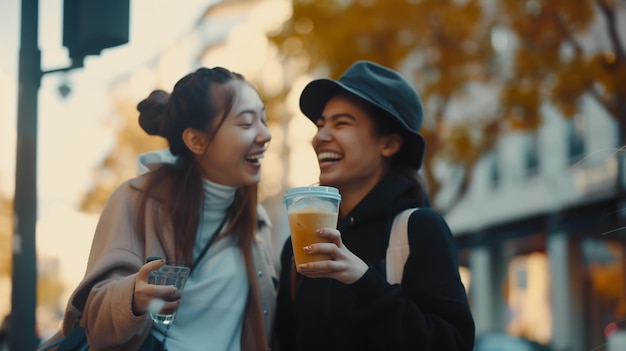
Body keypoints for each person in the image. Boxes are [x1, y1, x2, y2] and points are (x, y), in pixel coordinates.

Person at [39, 67, 277, 351]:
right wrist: (133, 298)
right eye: (247, 123)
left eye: (263, 118)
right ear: (196, 141)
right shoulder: (135, 200)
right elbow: (95, 323)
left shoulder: (257, 223)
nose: (266, 135)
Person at [275, 61, 475, 350]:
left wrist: (364, 281)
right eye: (320, 125)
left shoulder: (419, 229)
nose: (320, 137)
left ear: (389, 145)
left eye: (341, 123)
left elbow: (453, 343)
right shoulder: (299, 248)